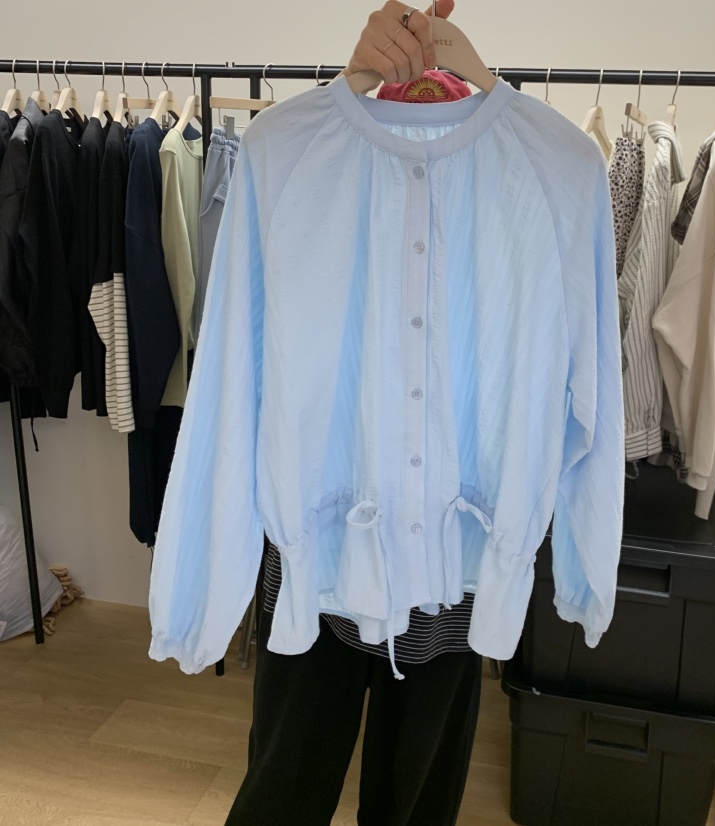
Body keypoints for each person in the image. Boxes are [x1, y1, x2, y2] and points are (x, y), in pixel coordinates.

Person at [224, 4, 484, 825]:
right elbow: (239, 370)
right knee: (283, 788)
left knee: (413, 801)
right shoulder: (293, 163)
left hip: (449, 573)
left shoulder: (524, 181)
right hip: (319, 561)